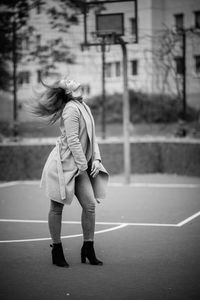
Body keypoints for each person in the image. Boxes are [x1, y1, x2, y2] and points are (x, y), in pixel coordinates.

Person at [31, 77, 109, 267]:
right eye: (67, 81)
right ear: (67, 91)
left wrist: (97, 159)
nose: (70, 79)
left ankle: (88, 248)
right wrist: (84, 166)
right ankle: (57, 250)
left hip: (79, 165)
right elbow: (73, 141)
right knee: (57, 208)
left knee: (90, 205)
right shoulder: (70, 109)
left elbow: (93, 138)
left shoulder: (83, 106)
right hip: (63, 164)